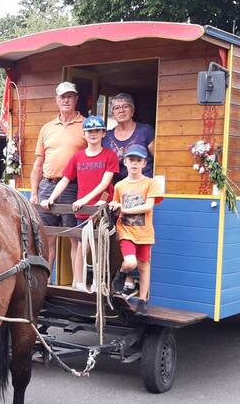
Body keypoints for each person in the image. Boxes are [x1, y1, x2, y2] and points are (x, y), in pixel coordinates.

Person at [40, 115, 118, 290]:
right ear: (84, 133)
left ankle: (99, 282)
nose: (93, 134)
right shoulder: (77, 157)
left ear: (103, 133)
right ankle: (80, 284)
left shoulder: (109, 156)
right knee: (83, 244)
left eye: (97, 130)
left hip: (100, 207)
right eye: (89, 131)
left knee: (100, 246)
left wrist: (85, 199)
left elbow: (105, 183)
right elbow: (65, 180)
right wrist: (51, 198)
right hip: (82, 209)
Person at [30, 81, 86, 270]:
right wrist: (34, 193)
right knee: (47, 238)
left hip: (73, 187)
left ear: (76, 99)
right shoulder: (47, 128)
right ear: (56, 100)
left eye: (70, 96)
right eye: (63, 96)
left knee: (74, 237)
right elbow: (38, 163)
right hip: (48, 185)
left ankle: (76, 285)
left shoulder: (86, 125)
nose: (66, 100)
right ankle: (45, 284)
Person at [108, 144, 165, 315]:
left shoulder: (150, 183)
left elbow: (148, 207)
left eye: (138, 160)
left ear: (144, 163)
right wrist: (114, 205)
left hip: (144, 232)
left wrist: (123, 208)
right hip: (126, 230)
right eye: (131, 160)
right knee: (131, 262)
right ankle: (122, 273)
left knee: (143, 266)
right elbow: (115, 203)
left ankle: (142, 300)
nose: (134, 163)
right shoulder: (119, 185)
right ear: (125, 162)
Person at [103, 92, 155, 179]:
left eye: (125, 106)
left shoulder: (146, 131)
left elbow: (158, 160)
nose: (121, 110)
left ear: (132, 111)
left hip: (144, 184)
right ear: (113, 114)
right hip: (118, 187)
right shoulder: (106, 137)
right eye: (117, 108)